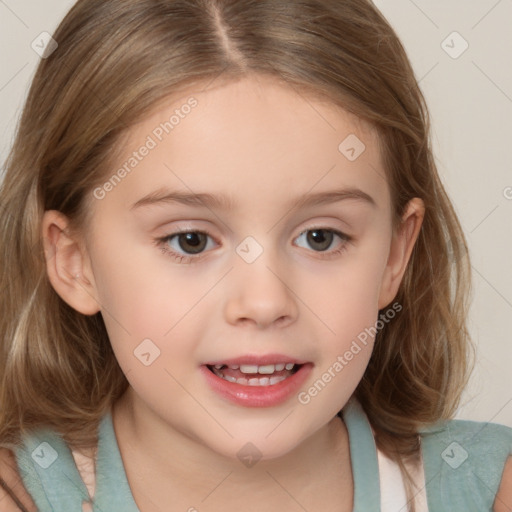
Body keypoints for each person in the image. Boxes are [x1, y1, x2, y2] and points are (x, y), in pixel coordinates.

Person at [0, 0, 511, 511]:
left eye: (320, 238)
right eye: (190, 240)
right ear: (75, 261)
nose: (265, 302)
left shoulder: (488, 489)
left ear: (396, 255)